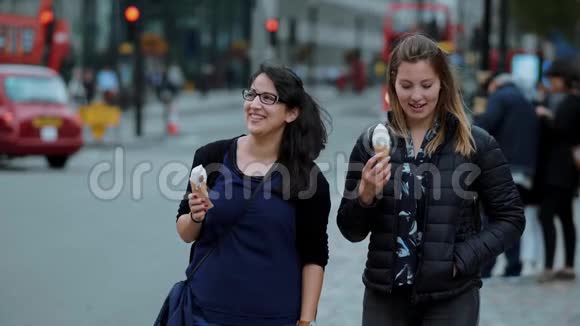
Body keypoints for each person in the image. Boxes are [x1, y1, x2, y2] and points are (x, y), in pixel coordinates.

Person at [337, 34, 525, 326]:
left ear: (442, 84)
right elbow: (350, 230)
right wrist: (365, 195)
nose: (416, 96)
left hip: (451, 297)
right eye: (406, 85)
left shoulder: (475, 143)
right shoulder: (372, 142)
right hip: (384, 297)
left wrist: (462, 258)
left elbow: (511, 218)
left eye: (427, 85)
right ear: (392, 85)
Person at [172, 64, 331, 326]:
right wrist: (195, 216)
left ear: (291, 112)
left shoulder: (308, 180)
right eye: (252, 94)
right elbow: (185, 232)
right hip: (204, 313)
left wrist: (305, 320)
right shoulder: (211, 158)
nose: (255, 104)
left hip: (273, 317)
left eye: (268, 98)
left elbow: (314, 256)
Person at [473, 73, 540, 277]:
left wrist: (477, 115)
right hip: (524, 168)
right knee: (511, 218)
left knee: (491, 219)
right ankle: (513, 265)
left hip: (502, 165)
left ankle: (487, 267)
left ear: (496, 84)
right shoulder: (524, 99)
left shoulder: (500, 97)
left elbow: (483, 127)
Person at [535, 58, 580, 282]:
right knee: (564, 216)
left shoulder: (572, 102)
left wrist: (547, 117)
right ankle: (569, 265)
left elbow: (566, 131)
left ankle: (550, 265)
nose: (551, 82)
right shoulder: (554, 100)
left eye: (554, 78)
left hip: (562, 168)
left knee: (548, 215)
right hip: (555, 168)